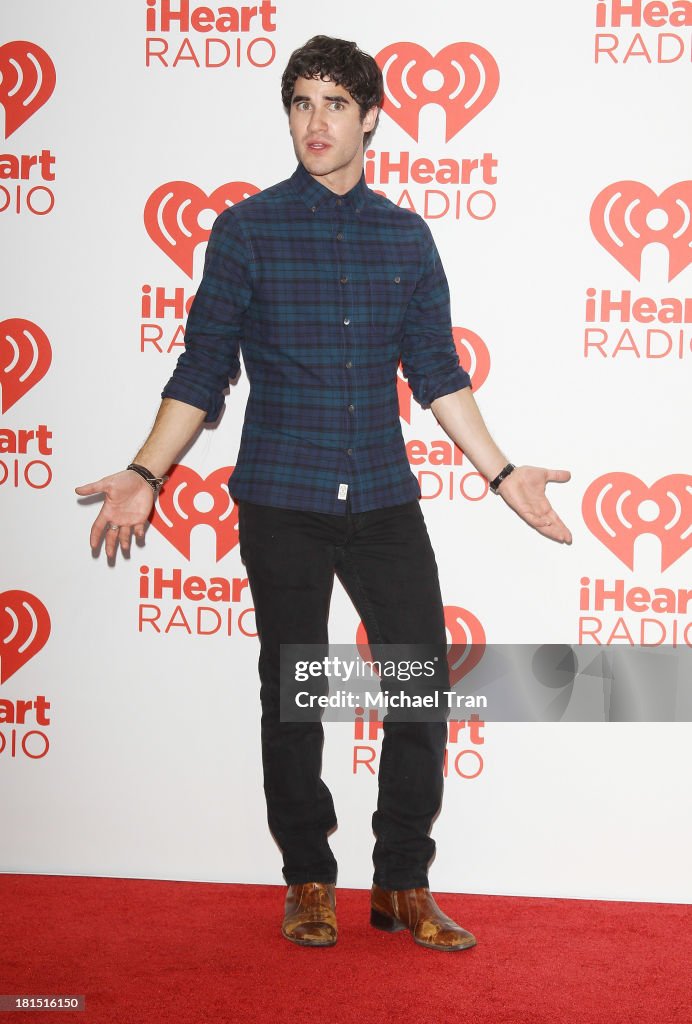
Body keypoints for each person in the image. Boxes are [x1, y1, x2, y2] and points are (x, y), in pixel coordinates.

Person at [76, 35, 571, 952]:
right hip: (282, 496)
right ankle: (307, 878)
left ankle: (402, 885)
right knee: (294, 691)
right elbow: (201, 371)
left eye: (335, 103)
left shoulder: (404, 235)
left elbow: (436, 372)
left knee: (421, 680)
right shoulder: (247, 229)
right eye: (301, 102)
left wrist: (502, 474)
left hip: (383, 494)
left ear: (371, 116)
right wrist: (147, 472)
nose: (315, 121)